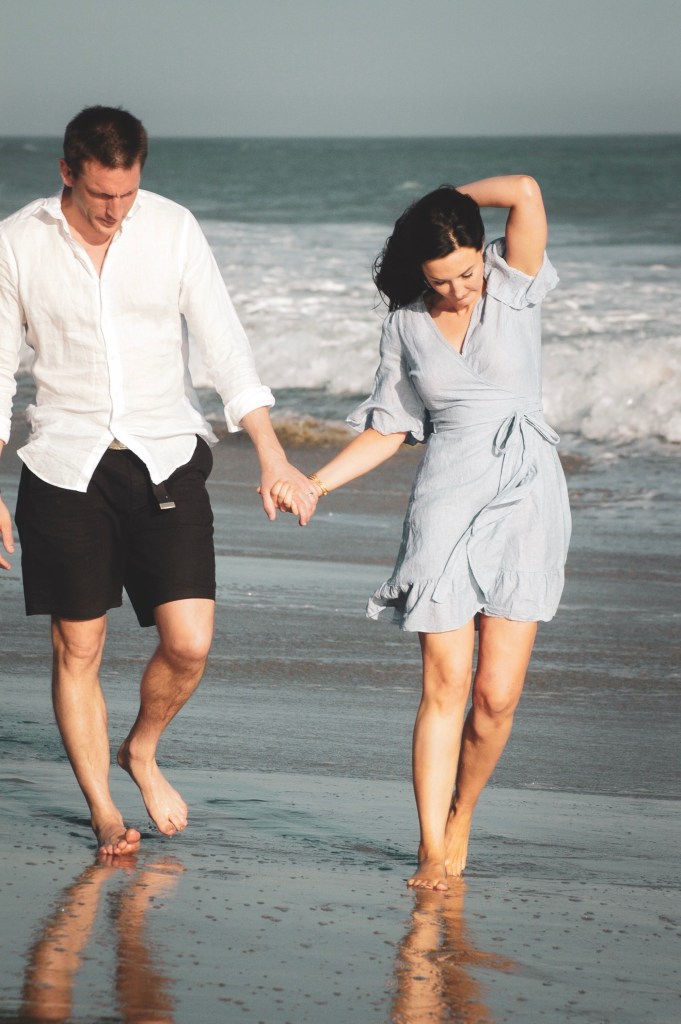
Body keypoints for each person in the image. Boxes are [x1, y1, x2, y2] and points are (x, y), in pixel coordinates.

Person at [0, 106, 317, 858]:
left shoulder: (172, 228)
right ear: (68, 172)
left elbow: (225, 347)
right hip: (63, 463)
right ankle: (106, 812)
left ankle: (140, 747)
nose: (115, 211)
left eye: (128, 194)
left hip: (164, 455)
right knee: (77, 648)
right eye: (101, 195)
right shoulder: (17, 242)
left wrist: (272, 455)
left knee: (190, 642)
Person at [272, 175, 571, 890]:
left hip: (527, 497)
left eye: (467, 272)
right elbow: (388, 430)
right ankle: (432, 847)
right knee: (446, 682)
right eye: (441, 280)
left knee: (495, 694)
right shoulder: (405, 322)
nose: (460, 290)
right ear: (417, 273)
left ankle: (462, 810)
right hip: (445, 497)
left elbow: (525, 191)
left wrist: (444, 205)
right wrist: (316, 483)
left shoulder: (513, 280)